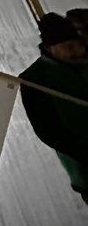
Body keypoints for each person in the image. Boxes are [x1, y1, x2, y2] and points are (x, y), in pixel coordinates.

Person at [19, 13, 88, 206]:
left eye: (79, 45)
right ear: (51, 48)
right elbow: (48, 131)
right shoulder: (35, 80)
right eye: (69, 47)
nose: (77, 51)